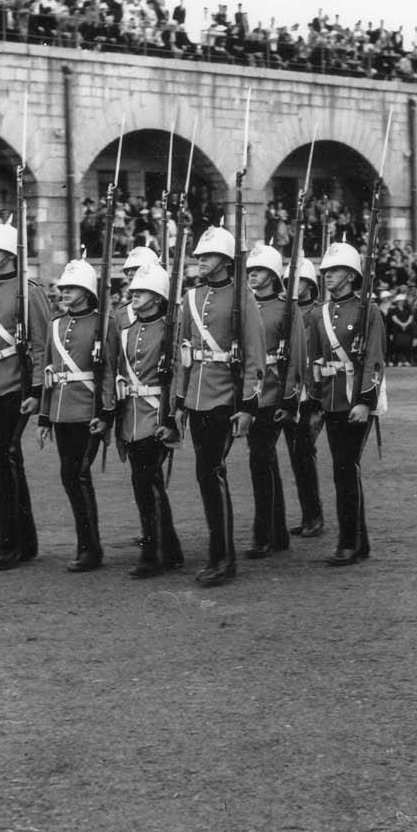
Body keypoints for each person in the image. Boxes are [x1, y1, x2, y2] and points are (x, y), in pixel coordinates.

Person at [172, 225, 265, 587]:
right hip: (196, 395)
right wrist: (180, 402)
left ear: (225, 261)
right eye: (198, 256)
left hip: (226, 397)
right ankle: (218, 552)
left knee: (213, 473)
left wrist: (248, 406)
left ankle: (224, 557)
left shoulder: (243, 299)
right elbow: (184, 354)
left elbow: (256, 355)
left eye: (206, 256)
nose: (200, 261)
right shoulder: (191, 298)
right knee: (205, 474)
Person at [0, 222, 51, 571]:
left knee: (3, 459)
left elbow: (42, 344)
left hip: (17, 388)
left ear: (9, 254)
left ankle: (10, 544)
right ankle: (24, 541)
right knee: (7, 462)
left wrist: (36, 391)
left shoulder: (29, 291)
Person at [97, 263, 185, 578]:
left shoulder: (169, 331)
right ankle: (169, 549)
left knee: (147, 484)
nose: (135, 295)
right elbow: (113, 372)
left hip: (156, 416)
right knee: (148, 484)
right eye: (134, 290)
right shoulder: (126, 332)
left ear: (160, 297)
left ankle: (153, 554)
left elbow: (177, 376)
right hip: (131, 416)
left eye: (143, 291)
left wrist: (172, 418)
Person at [303, 241, 385, 565]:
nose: (327, 276)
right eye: (325, 271)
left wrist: (365, 400)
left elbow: (374, 360)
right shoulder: (318, 313)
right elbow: (313, 358)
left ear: (351, 275)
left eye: (334, 271)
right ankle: (357, 543)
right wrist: (313, 400)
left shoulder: (369, 311)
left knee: (345, 471)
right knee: (342, 471)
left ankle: (349, 542)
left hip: (354, 402)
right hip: (331, 400)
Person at [38, 259, 106, 573]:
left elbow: (110, 370)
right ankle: (86, 544)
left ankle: (91, 549)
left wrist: (105, 412)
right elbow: (49, 372)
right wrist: (44, 417)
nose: (64, 292)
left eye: (71, 287)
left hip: (88, 410)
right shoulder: (55, 324)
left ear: (88, 291)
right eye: (63, 287)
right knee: (70, 477)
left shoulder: (101, 324)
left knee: (77, 475)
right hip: (62, 411)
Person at [242, 243, 298, 560]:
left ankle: (264, 535)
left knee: (260, 460)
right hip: (250, 393)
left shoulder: (285, 308)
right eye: (250, 271)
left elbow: (296, 358)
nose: (253, 275)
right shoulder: (245, 305)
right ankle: (276, 534)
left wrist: (288, 400)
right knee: (264, 461)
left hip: (273, 392)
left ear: (274, 275)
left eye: (259, 271)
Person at [283, 257, 325, 538]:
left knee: (303, 453)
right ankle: (309, 514)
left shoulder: (318, 314)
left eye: (299, 281)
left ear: (310, 284)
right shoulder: (288, 313)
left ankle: (314, 516)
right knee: (297, 457)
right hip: (290, 391)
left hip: (313, 393)